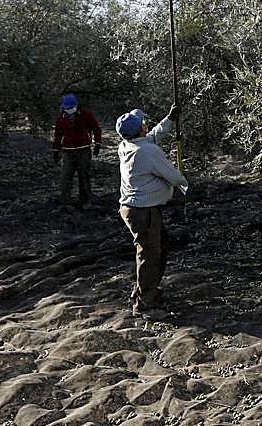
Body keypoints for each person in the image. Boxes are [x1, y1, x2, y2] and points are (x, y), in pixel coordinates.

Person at [116, 104, 188, 315]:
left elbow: (153, 135)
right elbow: (172, 175)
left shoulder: (127, 145)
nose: (146, 124)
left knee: (158, 247)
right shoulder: (147, 152)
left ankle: (145, 291)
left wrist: (169, 119)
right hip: (143, 212)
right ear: (139, 130)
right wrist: (183, 180)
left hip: (135, 209)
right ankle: (145, 303)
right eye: (143, 123)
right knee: (149, 254)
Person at [52, 94, 102, 208]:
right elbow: (58, 135)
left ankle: (85, 202)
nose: (69, 111)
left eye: (71, 108)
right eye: (66, 108)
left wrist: (97, 144)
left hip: (83, 150)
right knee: (65, 177)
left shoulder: (86, 115)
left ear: (77, 106)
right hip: (67, 152)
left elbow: (96, 129)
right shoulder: (61, 118)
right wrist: (56, 150)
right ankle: (65, 203)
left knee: (84, 176)